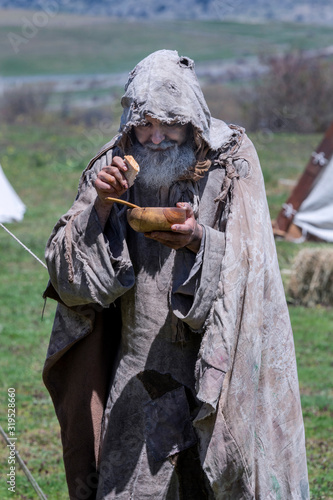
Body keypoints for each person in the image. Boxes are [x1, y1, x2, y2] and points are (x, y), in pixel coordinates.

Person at [43, 50, 309, 499]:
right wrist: (104, 205)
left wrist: (198, 241)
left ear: (191, 117)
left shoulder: (231, 161)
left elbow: (253, 264)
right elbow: (67, 275)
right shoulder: (114, 161)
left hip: (221, 363)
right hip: (139, 365)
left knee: (221, 477)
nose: (155, 136)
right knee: (133, 486)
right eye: (144, 123)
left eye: (169, 123)